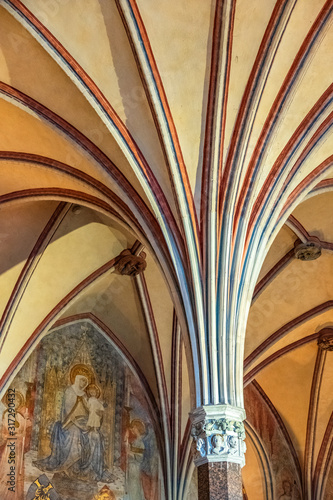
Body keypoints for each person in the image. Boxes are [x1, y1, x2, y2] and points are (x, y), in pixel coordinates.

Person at [35, 364, 111, 482]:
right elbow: (68, 410)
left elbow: (88, 410)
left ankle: (89, 469)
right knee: (75, 433)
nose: (83, 384)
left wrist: (91, 418)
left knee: (94, 436)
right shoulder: (69, 391)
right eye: (82, 380)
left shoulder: (85, 394)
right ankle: (70, 468)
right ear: (76, 379)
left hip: (83, 420)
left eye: (85, 382)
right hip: (69, 421)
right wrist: (78, 422)